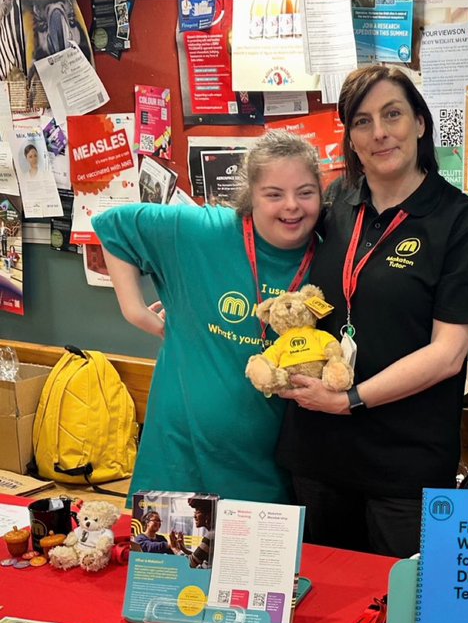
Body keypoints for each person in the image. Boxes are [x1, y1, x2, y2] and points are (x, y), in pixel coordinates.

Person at [276, 63, 468, 559]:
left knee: (403, 615)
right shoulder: (333, 202)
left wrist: (351, 399)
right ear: (349, 137)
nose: (380, 133)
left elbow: (449, 353)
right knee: (325, 607)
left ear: (420, 123)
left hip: (403, 465)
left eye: (393, 114)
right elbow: (267, 246)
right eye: (362, 121)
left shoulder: (459, 219)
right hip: (317, 451)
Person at [93, 130, 323, 502]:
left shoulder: (329, 256)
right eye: (274, 194)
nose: (291, 206)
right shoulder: (204, 231)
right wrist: (136, 312)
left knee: (256, 561)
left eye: (305, 192)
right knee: (163, 558)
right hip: (178, 458)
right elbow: (115, 225)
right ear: (251, 195)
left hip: (267, 467)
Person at [169, 497, 215, 569]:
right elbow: (198, 558)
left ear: (208, 515)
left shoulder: (211, 535)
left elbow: (190, 564)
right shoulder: (213, 533)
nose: (194, 516)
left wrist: (175, 548)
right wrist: (184, 549)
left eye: (198, 512)